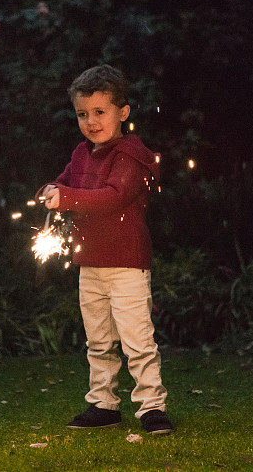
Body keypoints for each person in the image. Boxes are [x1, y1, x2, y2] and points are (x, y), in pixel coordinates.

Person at [35, 64, 174, 435]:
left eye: (100, 112)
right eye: (83, 114)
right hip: (90, 263)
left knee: (137, 341)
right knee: (98, 340)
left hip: (126, 264)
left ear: (123, 113)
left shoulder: (130, 155)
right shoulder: (82, 154)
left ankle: (151, 407)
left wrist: (65, 198)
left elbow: (113, 199)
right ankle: (103, 404)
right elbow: (66, 183)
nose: (91, 121)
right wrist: (51, 189)